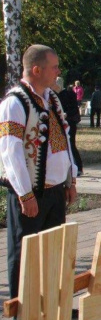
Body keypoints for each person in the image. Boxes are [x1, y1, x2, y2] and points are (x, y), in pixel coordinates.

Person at [0, 45, 78, 303]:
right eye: (54, 67)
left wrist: (70, 179)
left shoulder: (51, 98)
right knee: (24, 253)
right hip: (31, 193)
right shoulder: (15, 102)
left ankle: (50, 306)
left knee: (53, 250)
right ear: (37, 69)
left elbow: (63, 141)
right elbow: (10, 152)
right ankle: (23, 310)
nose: (58, 71)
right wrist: (25, 194)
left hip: (55, 191)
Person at [54, 77, 83, 176]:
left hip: (70, 122)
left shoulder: (69, 94)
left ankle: (78, 167)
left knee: (71, 144)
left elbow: (75, 109)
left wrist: (66, 114)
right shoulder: (53, 95)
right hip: (59, 124)